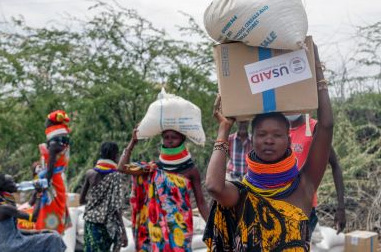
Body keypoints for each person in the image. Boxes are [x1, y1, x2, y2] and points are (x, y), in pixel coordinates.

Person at [204, 43, 333, 251]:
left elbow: (326, 126)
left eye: (277, 135)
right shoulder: (242, 194)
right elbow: (214, 186)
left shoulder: (304, 186)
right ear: (252, 139)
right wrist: (224, 129)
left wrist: (316, 68)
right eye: (262, 134)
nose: (269, 140)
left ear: (289, 140)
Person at [118, 128, 210, 251]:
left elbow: (201, 202)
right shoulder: (153, 168)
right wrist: (133, 142)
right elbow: (122, 167)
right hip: (157, 229)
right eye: (166, 137)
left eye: (174, 137)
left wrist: (213, 227)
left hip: (180, 227)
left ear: (182, 139)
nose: (170, 141)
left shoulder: (191, 170)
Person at [287, 114, 346, 234]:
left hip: (304, 206)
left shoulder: (314, 128)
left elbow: (335, 165)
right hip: (279, 202)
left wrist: (341, 207)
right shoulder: (278, 129)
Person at [0, 173, 66, 252]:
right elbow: (34, 218)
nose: (15, 184)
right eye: (12, 182)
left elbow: (12, 231)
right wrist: (39, 195)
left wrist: (38, 231)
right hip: (12, 246)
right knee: (54, 238)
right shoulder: (5, 207)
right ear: (3, 187)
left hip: (8, 244)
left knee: (52, 234)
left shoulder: (1, 203)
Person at [80, 142, 128, 252]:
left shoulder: (90, 173)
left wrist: (95, 203)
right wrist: (123, 232)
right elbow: (116, 208)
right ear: (115, 156)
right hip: (107, 226)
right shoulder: (116, 176)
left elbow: (81, 200)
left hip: (90, 223)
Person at [35, 110, 72, 234]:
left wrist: (43, 186)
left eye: (47, 121)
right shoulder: (61, 143)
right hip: (59, 180)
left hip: (53, 182)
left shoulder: (53, 144)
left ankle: (49, 239)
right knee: (56, 212)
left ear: (51, 124)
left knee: (49, 213)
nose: (45, 123)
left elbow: (50, 170)